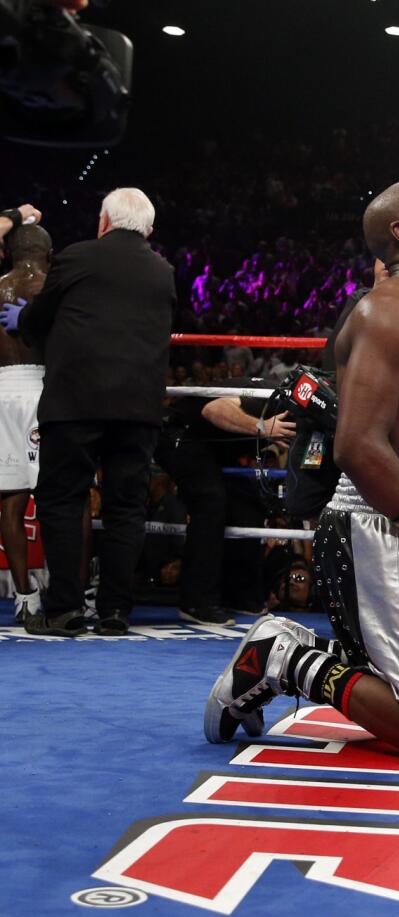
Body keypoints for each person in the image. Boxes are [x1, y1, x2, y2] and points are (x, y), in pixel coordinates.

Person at [205, 178, 399, 764]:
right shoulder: (386, 314)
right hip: (375, 524)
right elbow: (358, 447)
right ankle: (282, 656)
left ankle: (366, 663)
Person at [19, 188, 175, 636]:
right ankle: (115, 612)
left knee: (63, 500)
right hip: (138, 408)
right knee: (126, 507)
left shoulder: (77, 257)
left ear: (104, 222)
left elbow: (38, 318)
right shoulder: (163, 272)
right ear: (148, 229)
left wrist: (26, 322)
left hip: (76, 403)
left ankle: (65, 609)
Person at [153, 380, 296, 625]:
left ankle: (240, 595)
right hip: (180, 434)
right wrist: (262, 427)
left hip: (213, 447)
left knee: (247, 505)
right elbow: (213, 410)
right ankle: (196, 602)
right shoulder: (271, 397)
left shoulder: (305, 418)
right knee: (210, 499)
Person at [0, 220, 50, 622]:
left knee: (10, 502)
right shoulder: (55, 290)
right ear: (48, 255)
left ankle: (24, 597)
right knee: (68, 499)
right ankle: (77, 594)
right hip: (48, 391)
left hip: (2, 393)